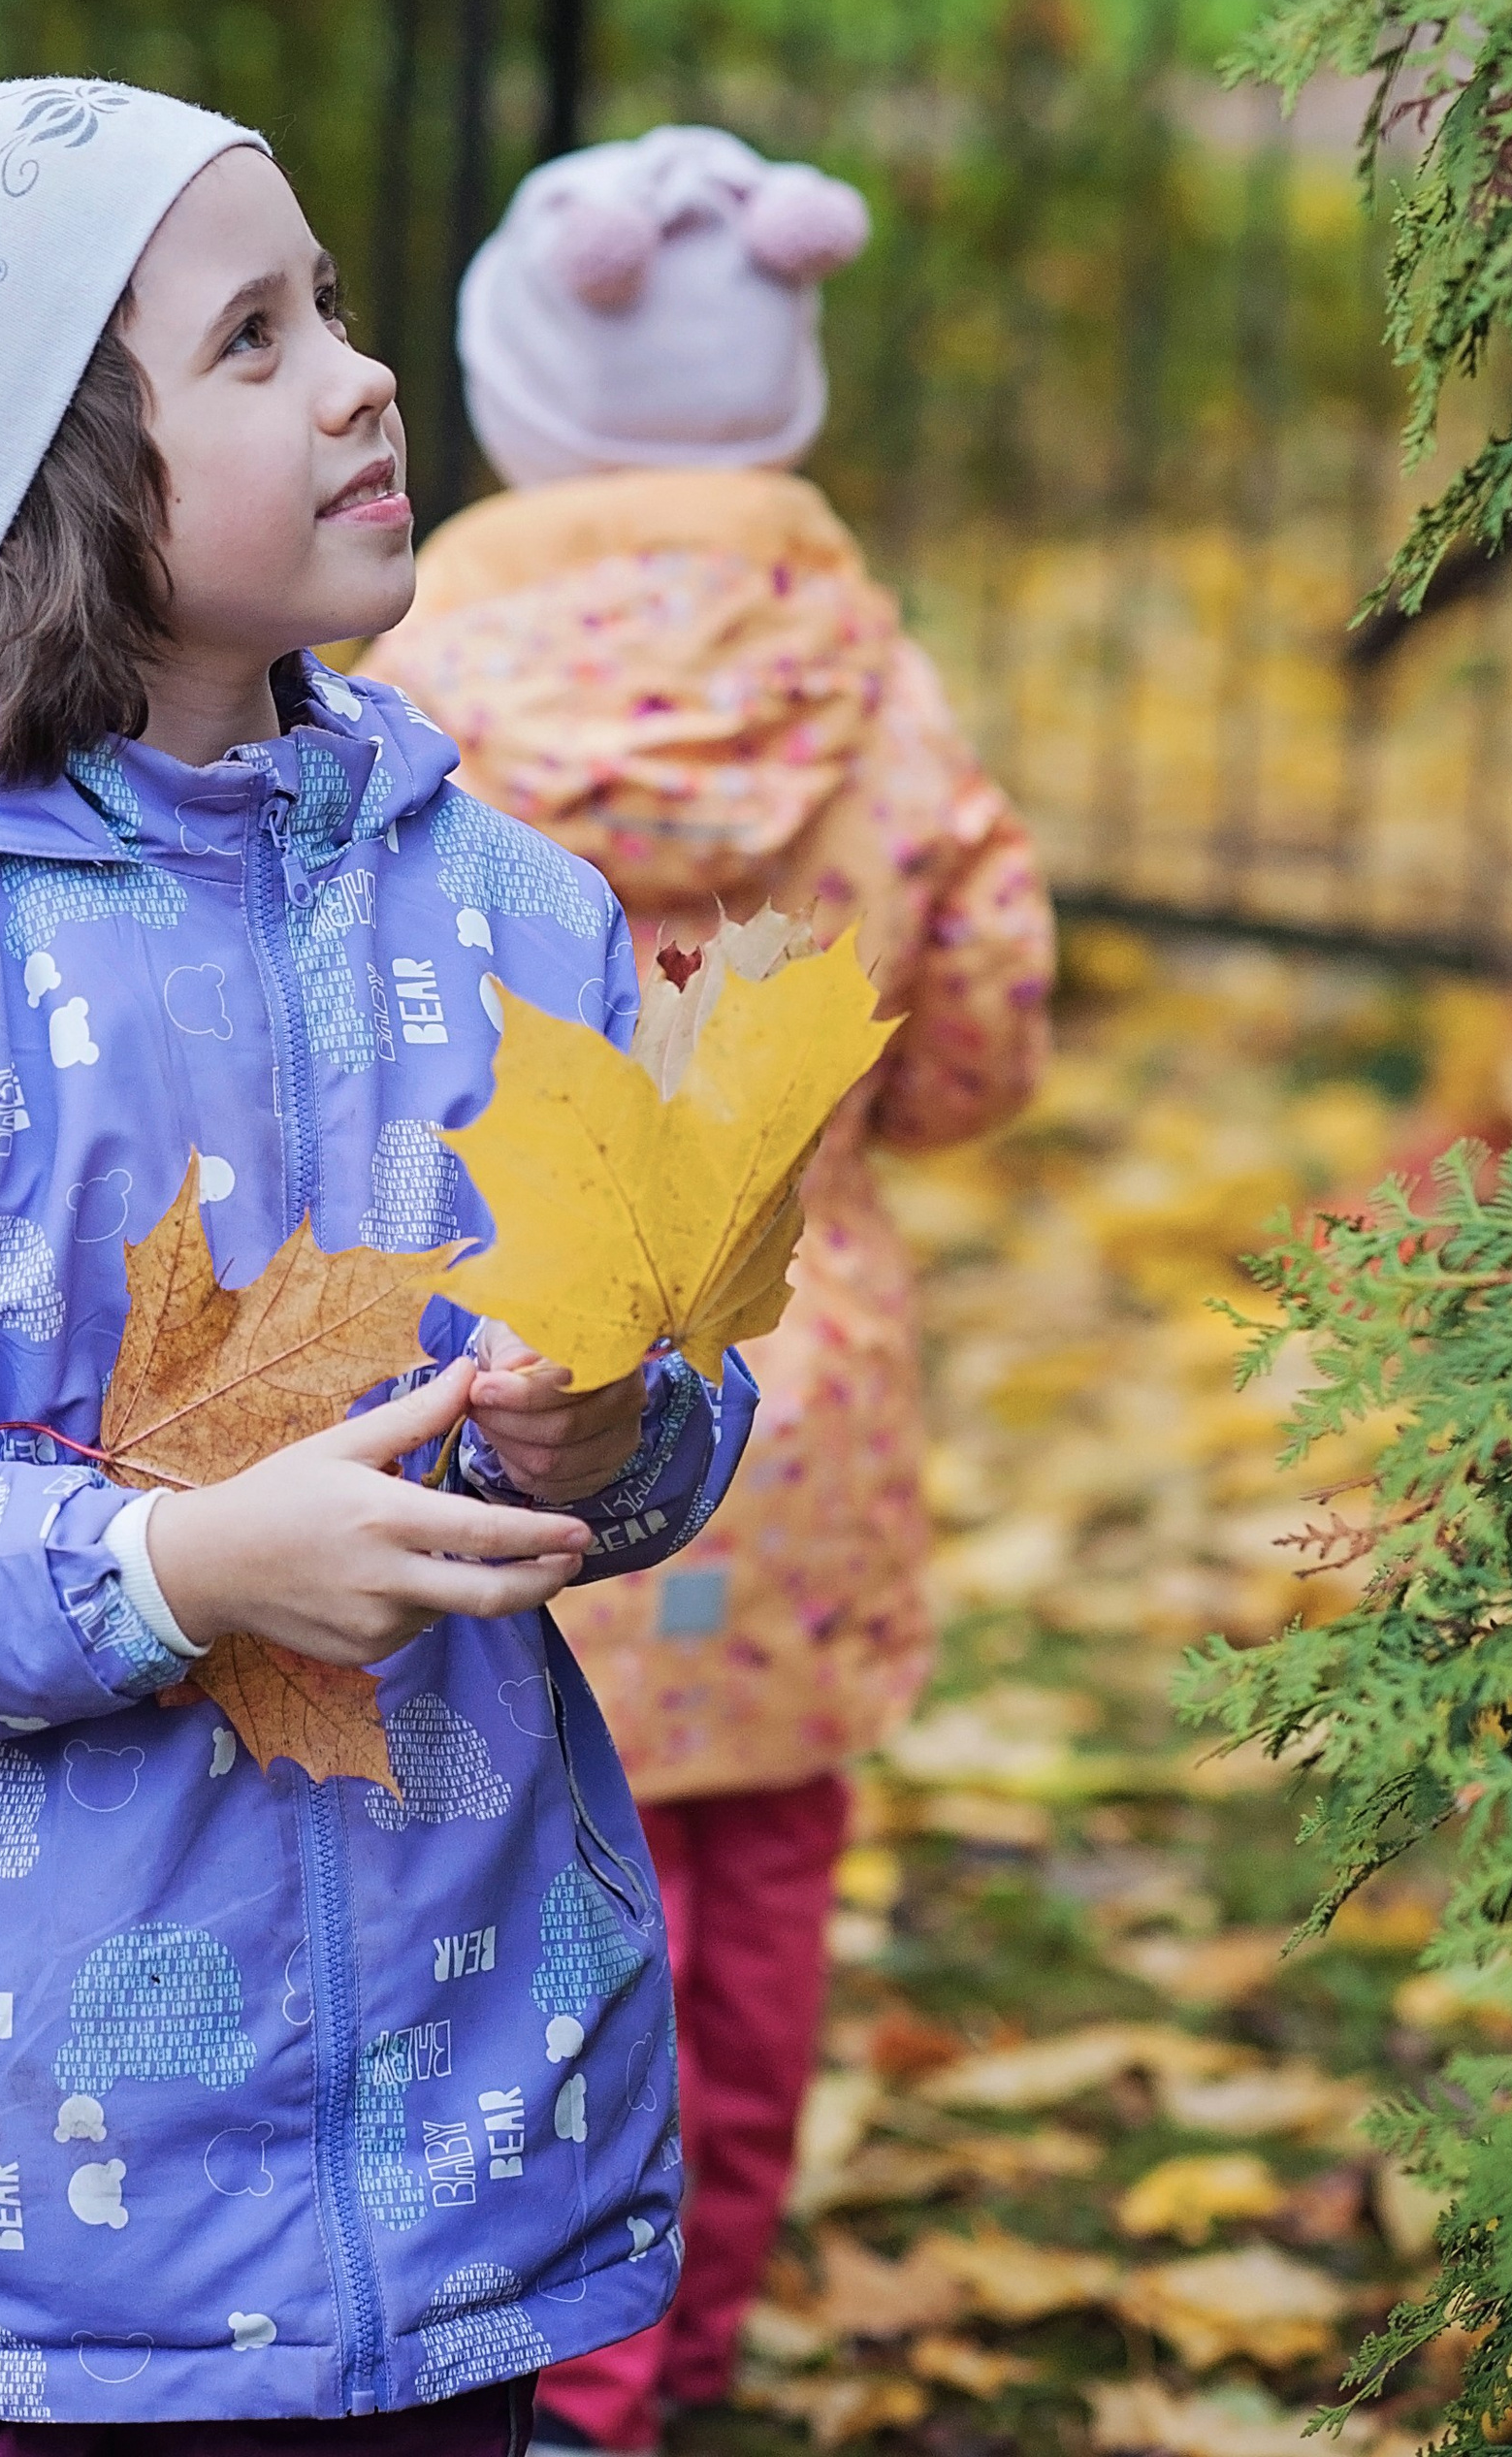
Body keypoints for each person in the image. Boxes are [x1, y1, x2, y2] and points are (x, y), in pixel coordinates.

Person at [0, 78, 759, 2454]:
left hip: (426, 2186)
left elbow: (664, 1401)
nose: (358, 369)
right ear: (48, 478)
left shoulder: (513, 911)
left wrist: (620, 1428)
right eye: (253, 337)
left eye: (330, 301)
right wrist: (178, 1564)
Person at [365, 123, 1054, 2454]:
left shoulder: (405, 675)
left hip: (496, 1393)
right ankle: (676, 2340)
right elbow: (965, 1034)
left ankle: (527, 2349)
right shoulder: (878, 678)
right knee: (743, 1906)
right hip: (788, 1397)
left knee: (489, 1899)